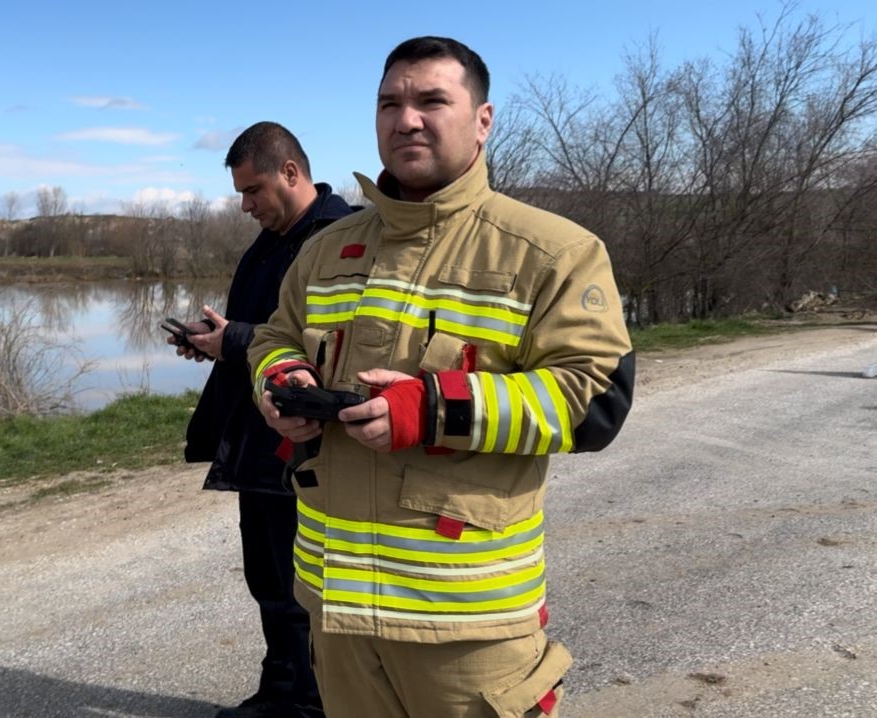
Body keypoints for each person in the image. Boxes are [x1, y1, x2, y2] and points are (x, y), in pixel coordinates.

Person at [248, 37, 634, 718]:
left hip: (466, 625)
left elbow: (593, 399)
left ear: (482, 120)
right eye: (390, 102)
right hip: (336, 610)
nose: (406, 119)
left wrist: (431, 409)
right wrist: (282, 384)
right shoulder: (324, 251)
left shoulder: (555, 251)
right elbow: (276, 336)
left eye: (432, 100)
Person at [175, 122, 353, 718]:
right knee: (269, 582)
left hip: (304, 445)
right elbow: (263, 332)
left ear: (291, 173)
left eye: (253, 191)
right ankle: (280, 693)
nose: (246, 204)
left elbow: (333, 345)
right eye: (241, 194)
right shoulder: (272, 239)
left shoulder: (338, 238)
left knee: (301, 585)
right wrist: (215, 341)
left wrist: (235, 340)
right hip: (257, 435)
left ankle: (308, 704)